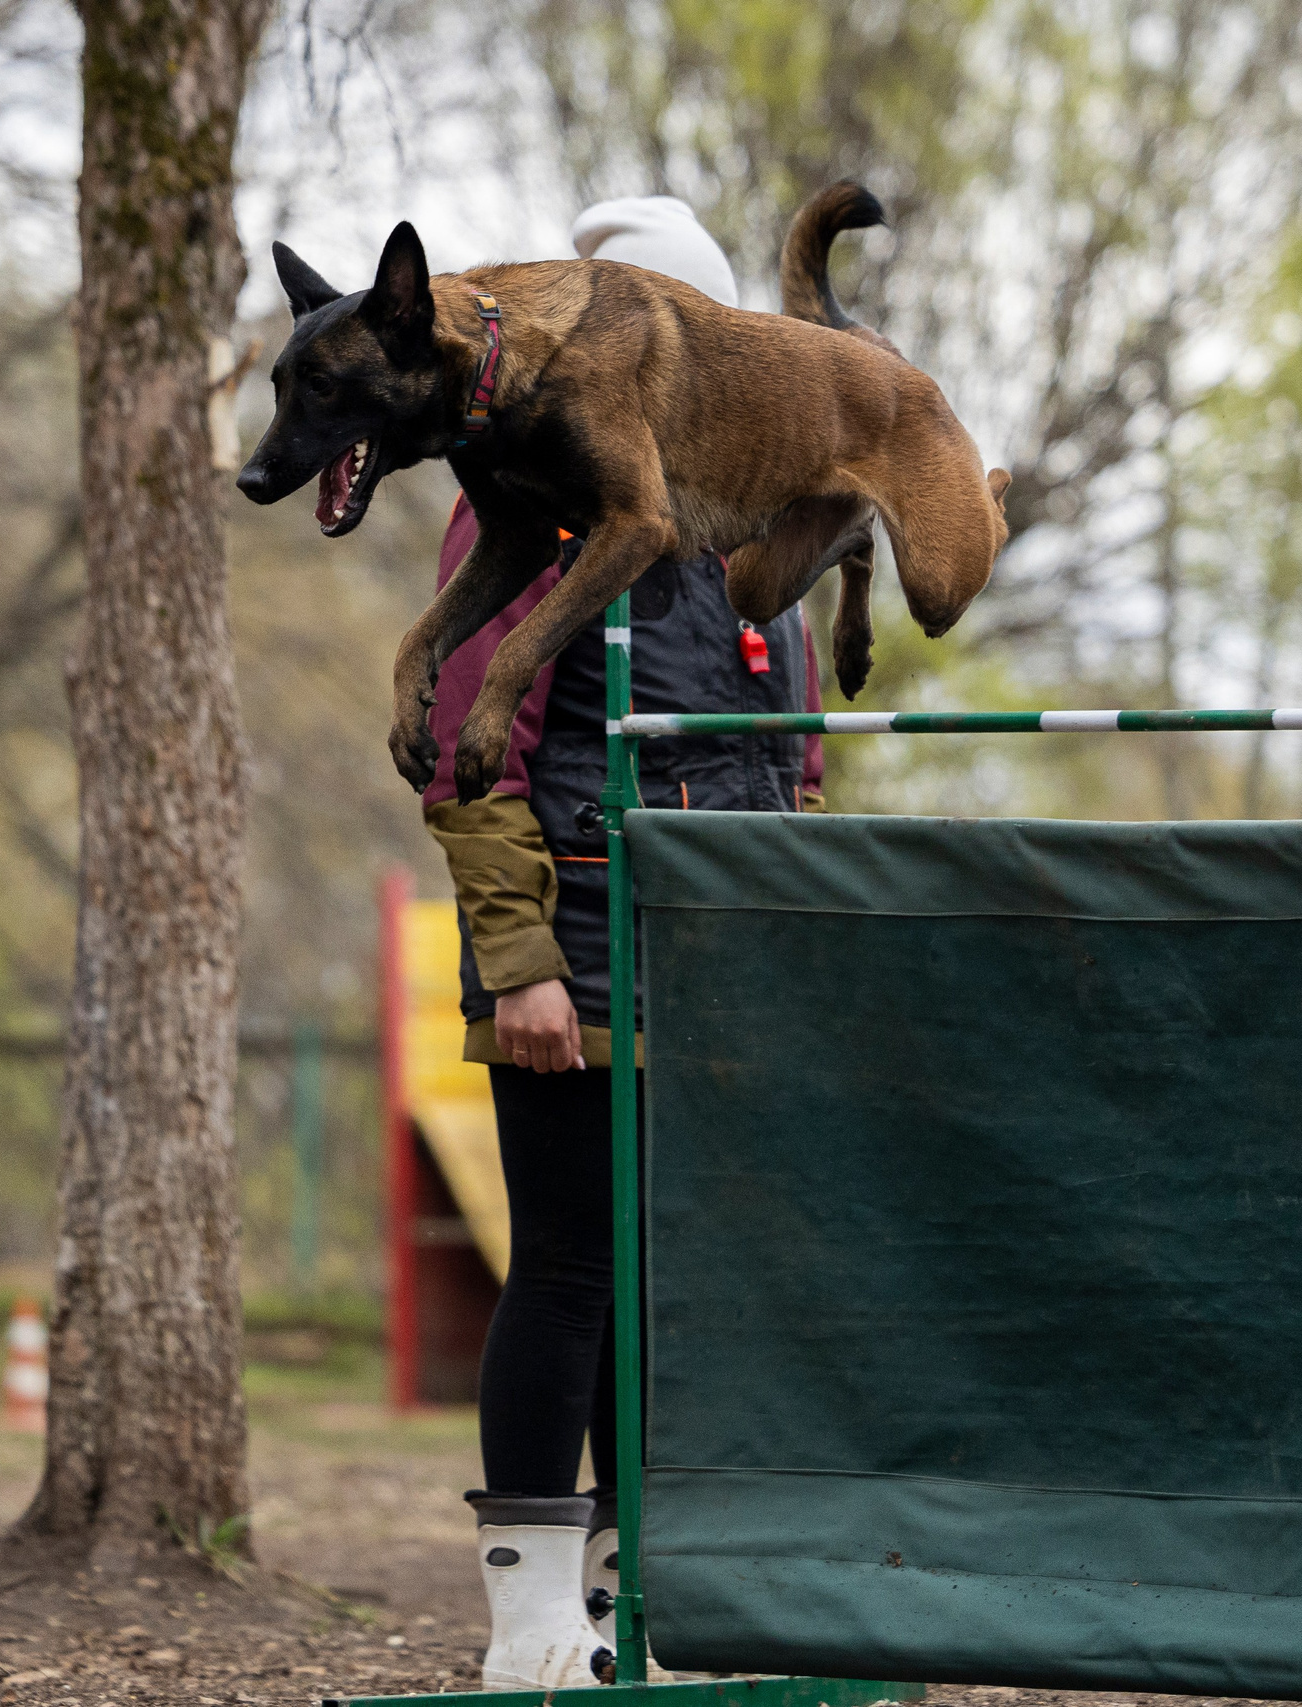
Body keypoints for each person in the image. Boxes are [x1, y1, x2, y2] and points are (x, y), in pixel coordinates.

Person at [421, 195, 826, 1691]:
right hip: (574, 951)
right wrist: (521, 958)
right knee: (571, 1269)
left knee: (669, 1290)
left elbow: (792, 764)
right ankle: (530, 1625)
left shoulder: (755, 515)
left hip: (717, 970)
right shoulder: (527, 499)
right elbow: (466, 751)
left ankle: (630, 1609)